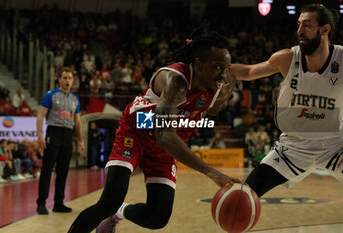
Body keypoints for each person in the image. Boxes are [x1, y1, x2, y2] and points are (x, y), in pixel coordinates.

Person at [68, 31, 240, 233]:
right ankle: (112, 208)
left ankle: (119, 213)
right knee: (110, 200)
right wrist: (211, 171)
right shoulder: (175, 81)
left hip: (165, 144)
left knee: (158, 218)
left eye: (226, 68)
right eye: (218, 67)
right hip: (138, 130)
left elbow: (250, 71)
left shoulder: (221, 87)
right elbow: (165, 135)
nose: (223, 74)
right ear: (199, 64)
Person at [231, 4, 343, 198]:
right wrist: (209, 64)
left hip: (336, 147)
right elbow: (248, 72)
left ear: (325, 30)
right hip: (293, 149)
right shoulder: (287, 58)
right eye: (298, 24)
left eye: (307, 25)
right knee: (242, 198)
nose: (299, 31)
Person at [36, 67, 85, 215]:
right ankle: (41, 203)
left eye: (70, 78)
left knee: (63, 171)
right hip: (53, 133)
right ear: (59, 79)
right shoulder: (50, 95)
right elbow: (40, 116)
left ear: (72, 80)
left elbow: (77, 122)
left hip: (68, 135)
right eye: (65, 78)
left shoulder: (75, 99)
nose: (67, 80)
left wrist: (81, 140)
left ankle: (59, 203)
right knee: (47, 170)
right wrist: (40, 135)